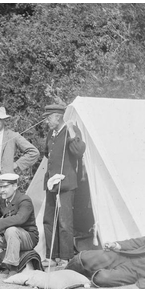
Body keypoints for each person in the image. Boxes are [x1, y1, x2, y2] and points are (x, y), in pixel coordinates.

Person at [65, 211, 145, 288]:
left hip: (142, 271)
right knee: (87, 257)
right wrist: (116, 245)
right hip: (130, 255)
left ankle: (77, 281)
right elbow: (137, 242)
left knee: (102, 278)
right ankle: (61, 276)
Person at [42, 103, 86, 266]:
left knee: (64, 221)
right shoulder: (50, 133)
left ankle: (66, 257)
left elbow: (79, 150)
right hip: (51, 184)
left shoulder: (70, 130)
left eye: (48, 117)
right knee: (49, 219)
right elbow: (47, 153)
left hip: (66, 184)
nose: (47, 121)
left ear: (58, 116)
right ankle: (52, 256)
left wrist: (72, 131)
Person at [0, 105, 39, 211]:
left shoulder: (12, 136)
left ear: (4, 120)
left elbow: (33, 152)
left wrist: (17, 165)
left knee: (5, 211)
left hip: (4, 179)